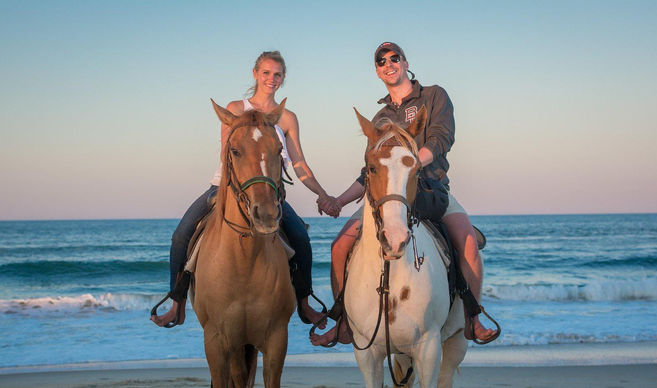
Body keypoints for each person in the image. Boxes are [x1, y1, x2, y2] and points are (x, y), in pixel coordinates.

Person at [310, 42, 498, 347]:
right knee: (338, 248)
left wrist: (408, 165)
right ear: (377, 71)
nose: (389, 63)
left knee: (467, 243)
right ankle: (344, 321)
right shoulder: (381, 116)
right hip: (387, 197)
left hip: (430, 188)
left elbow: (441, 138)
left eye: (394, 58)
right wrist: (339, 201)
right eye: (381, 61)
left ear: (405, 62)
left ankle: (473, 318)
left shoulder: (434, 95)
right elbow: (370, 170)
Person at [151, 50, 340, 328]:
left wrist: (323, 195)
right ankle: (176, 303)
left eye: (277, 74)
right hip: (225, 187)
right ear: (255, 74)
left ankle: (304, 303)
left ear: (283, 78)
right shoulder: (235, 109)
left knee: (300, 236)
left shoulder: (286, 118)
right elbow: (226, 157)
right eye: (266, 73)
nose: (271, 79)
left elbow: (298, 163)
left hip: (268, 192)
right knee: (181, 235)